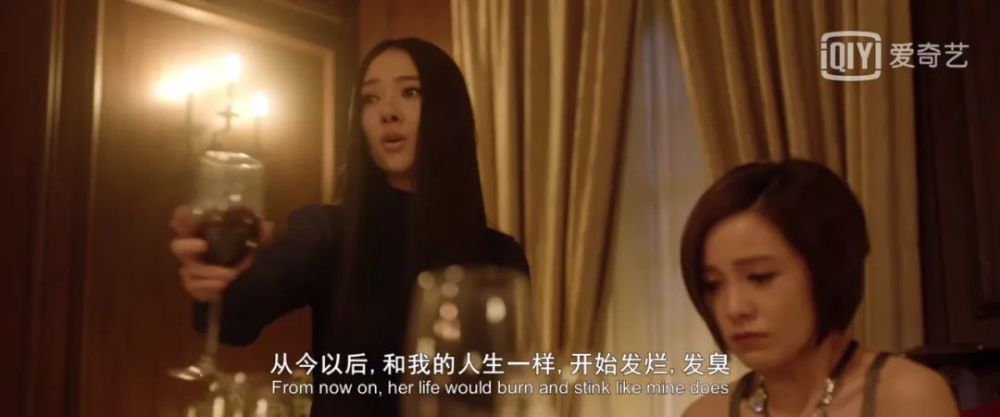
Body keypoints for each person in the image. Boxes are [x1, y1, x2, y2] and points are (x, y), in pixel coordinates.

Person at [169, 38, 530, 417]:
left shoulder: (501, 256)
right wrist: (218, 278)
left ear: (446, 110)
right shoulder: (327, 231)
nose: (387, 112)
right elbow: (236, 322)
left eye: (410, 92)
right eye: (370, 99)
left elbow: (512, 390)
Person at [678, 159, 958, 417]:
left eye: (760, 277)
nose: (734, 308)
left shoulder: (907, 398)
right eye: (712, 285)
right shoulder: (706, 413)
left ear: (827, 270)